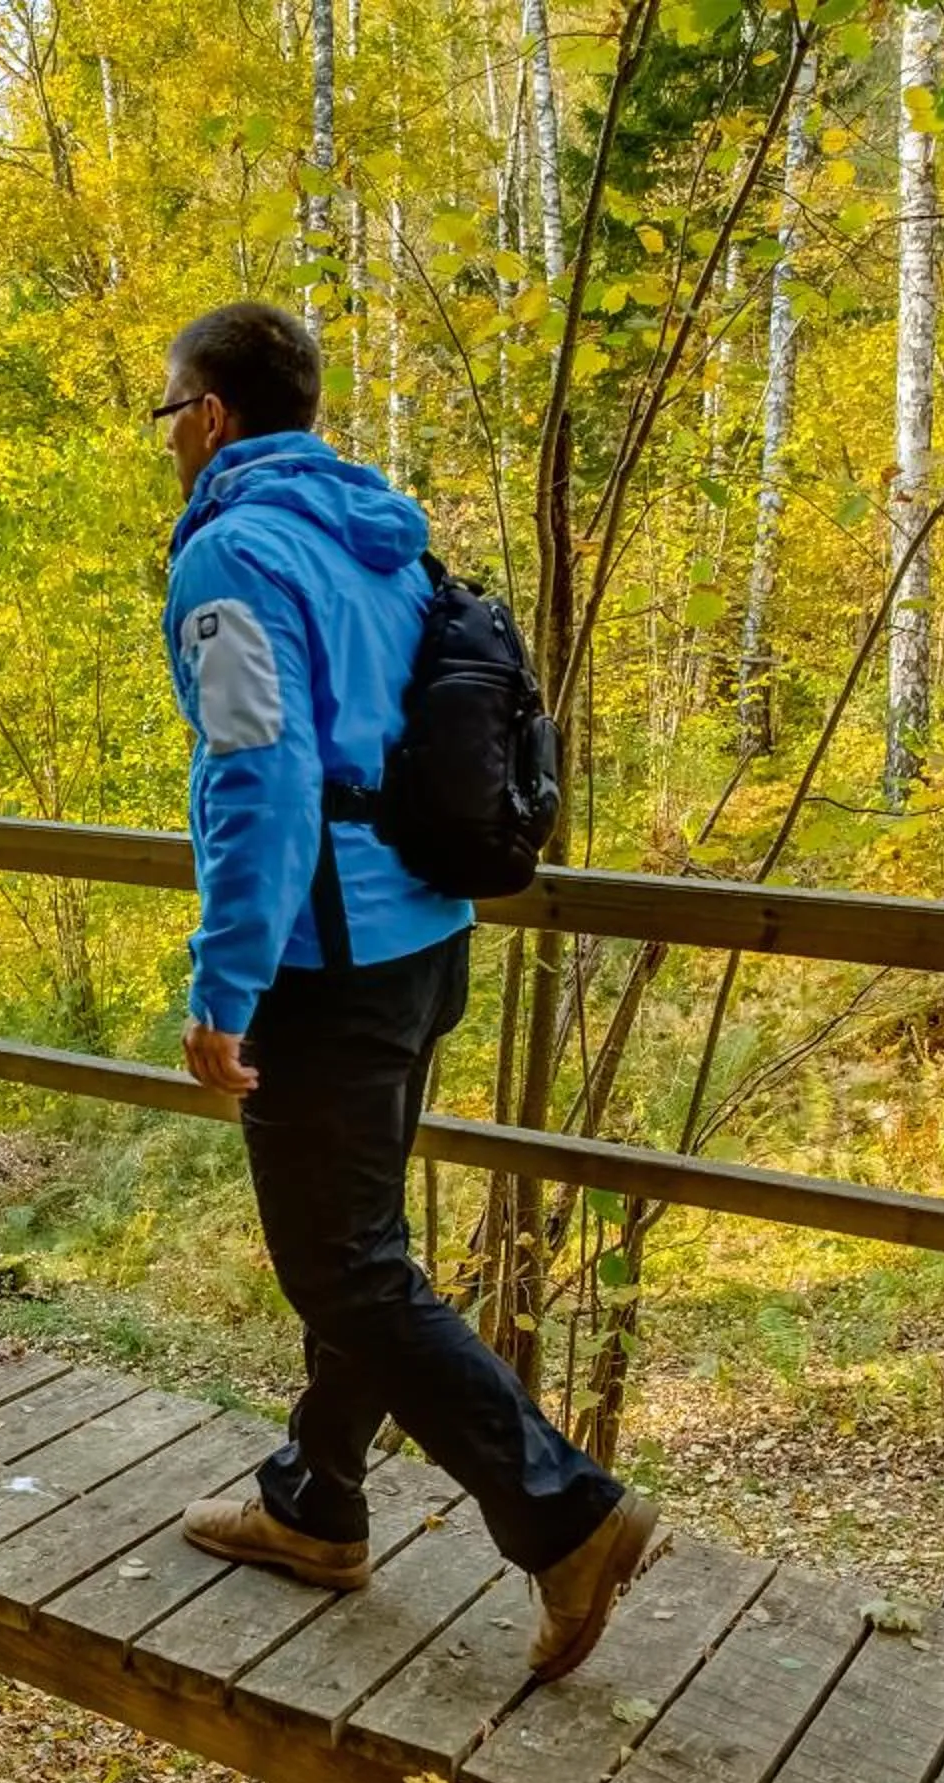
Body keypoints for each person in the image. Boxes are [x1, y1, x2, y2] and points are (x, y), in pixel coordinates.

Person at [156, 301, 660, 1682]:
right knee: (361, 1248)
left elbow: (257, 777)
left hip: (325, 965)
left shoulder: (234, 555)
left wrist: (224, 987)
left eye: (169, 413)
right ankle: (315, 1501)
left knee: (343, 1267)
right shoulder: (374, 537)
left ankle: (565, 1516)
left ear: (211, 415)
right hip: (426, 938)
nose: (168, 440)